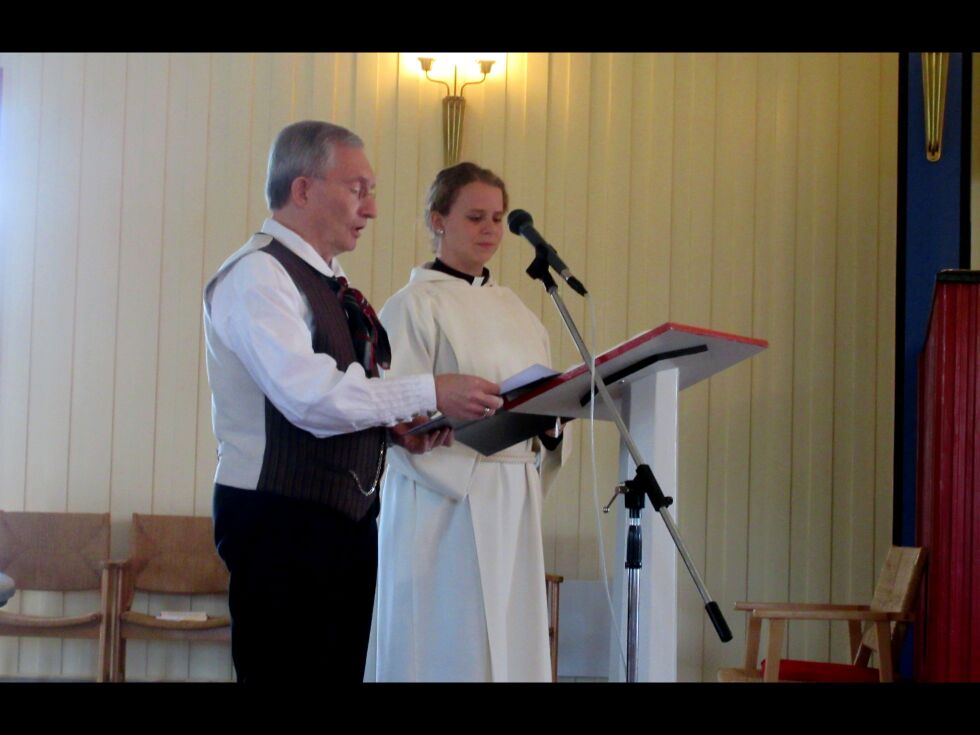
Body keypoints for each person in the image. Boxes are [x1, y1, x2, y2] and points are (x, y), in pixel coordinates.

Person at [202, 122, 503, 683]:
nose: (372, 207)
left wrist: (396, 429)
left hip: (340, 519)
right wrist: (431, 389)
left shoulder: (328, 280)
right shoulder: (257, 276)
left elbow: (344, 395)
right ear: (303, 190)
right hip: (280, 519)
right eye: (357, 188)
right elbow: (308, 397)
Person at [369, 162, 569, 682]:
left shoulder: (519, 311)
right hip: (443, 499)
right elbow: (393, 415)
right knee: (445, 644)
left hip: (513, 495)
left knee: (510, 638)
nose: (490, 230)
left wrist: (550, 428)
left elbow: (543, 392)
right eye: (475, 216)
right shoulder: (412, 306)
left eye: (499, 218)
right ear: (438, 220)